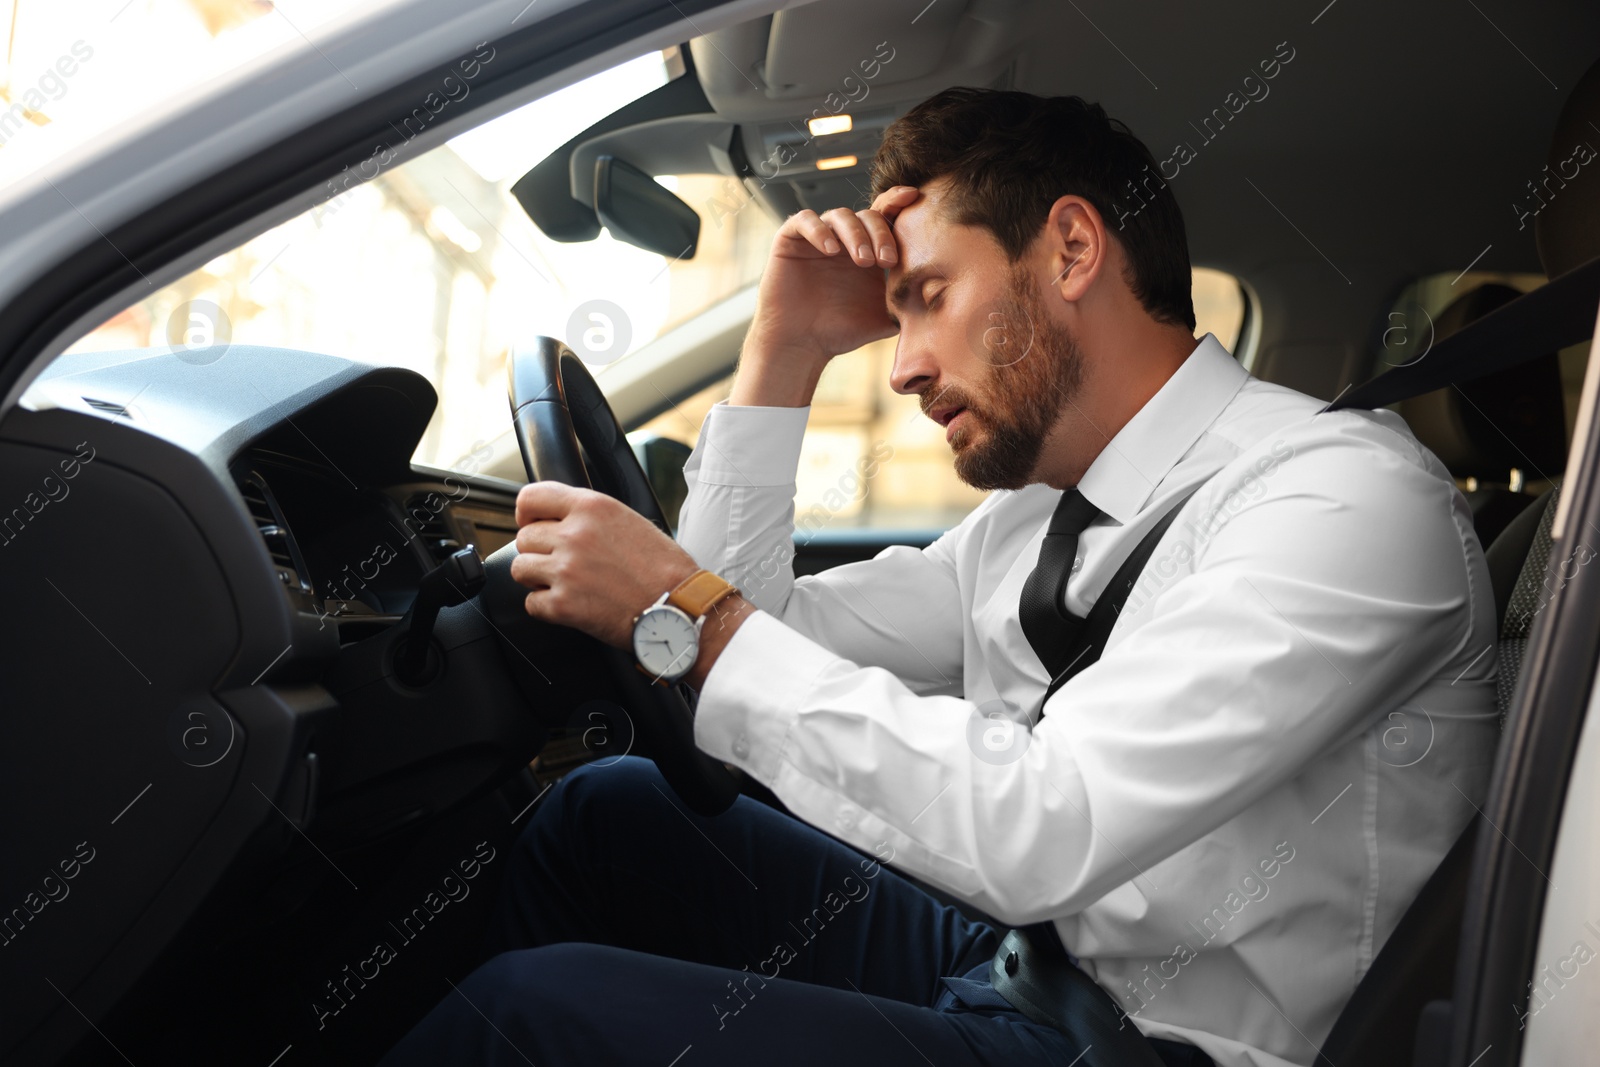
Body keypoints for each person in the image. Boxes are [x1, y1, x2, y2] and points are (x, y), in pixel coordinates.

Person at [381, 87, 1498, 1067]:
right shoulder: (1033, 519)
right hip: (1028, 964)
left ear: (1070, 249)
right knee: (605, 815)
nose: (904, 363)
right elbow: (762, 632)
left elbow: (1044, 825)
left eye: (927, 296)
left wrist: (682, 610)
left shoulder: (1338, 502)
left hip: (1161, 1045)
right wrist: (783, 353)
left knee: (529, 1019)